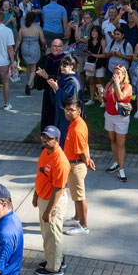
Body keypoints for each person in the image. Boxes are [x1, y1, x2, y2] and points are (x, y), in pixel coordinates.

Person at [33, 126, 69, 275]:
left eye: (49, 138)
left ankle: (54, 267)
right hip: (44, 198)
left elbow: (58, 189)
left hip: (53, 201)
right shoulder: (45, 152)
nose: (45, 140)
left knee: (52, 234)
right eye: (44, 137)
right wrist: (36, 195)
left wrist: (49, 211)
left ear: (57, 140)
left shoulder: (59, 161)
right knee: (47, 233)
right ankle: (55, 259)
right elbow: (40, 174)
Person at [61, 97, 94, 236]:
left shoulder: (77, 130)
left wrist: (87, 160)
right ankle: (77, 218)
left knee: (80, 197)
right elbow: (86, 145)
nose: (68, 112)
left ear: (79, 111)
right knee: (76, 195)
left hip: (76, 167)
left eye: (71, 110)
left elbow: (81, 151)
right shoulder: (76, 123)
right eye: (66, 109)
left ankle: (83, 226)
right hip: (73, 165)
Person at [103, 65, 132, 182]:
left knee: (120, 143)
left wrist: (116, 85)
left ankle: (121, 168)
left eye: (118, 73)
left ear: (124, 75)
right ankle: (116, 162)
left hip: (121, 118)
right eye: (114, 73)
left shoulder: (128, 86)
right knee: (113, 140)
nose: (116, 75)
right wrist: (102, 94)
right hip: (109, 115)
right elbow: (105, 97)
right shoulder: (109, 85)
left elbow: (120, 97)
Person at [47, 55, 83, 141]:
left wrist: (57, 89)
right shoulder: (65, 77)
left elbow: (69, 101)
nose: (61, 68)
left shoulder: (73, 82)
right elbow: (59, 95)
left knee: (66, 137)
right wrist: (54, 88)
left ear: (71, 67)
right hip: (62, 114)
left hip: (69, 115)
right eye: (61, 65)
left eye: (64, 66)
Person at [18, 12, 45, 95]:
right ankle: (29, 84)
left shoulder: (22, 28)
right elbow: (43, 40)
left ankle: (30, 83)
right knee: (34, 68)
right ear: (34, 19)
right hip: (34, 47)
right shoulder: (38, 28)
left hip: (25, 47)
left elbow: (19, 40)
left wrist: (15, 50)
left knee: (28, 66)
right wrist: (44, 46)